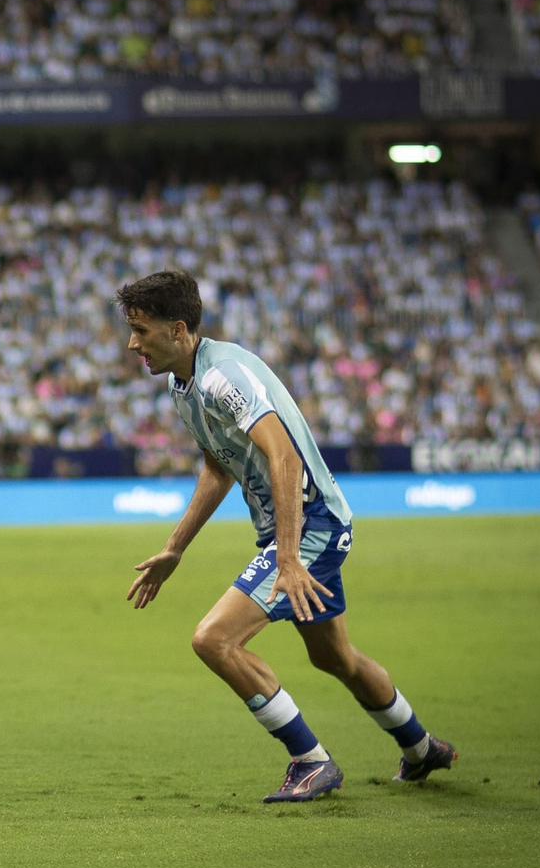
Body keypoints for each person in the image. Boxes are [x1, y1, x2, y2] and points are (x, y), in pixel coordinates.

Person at [117, 272, 456, 802]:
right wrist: (175, 547)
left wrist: (290, 557)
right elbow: (217, 464)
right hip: (300, 529)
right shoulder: (182, 383)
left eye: (140, 329)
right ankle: (421, 748)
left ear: (178, 329)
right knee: (335, 658)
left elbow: (285, 454)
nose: (132, 343)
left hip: (311, 525)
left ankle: (310, 762)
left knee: (214, 639)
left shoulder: (222, 377)